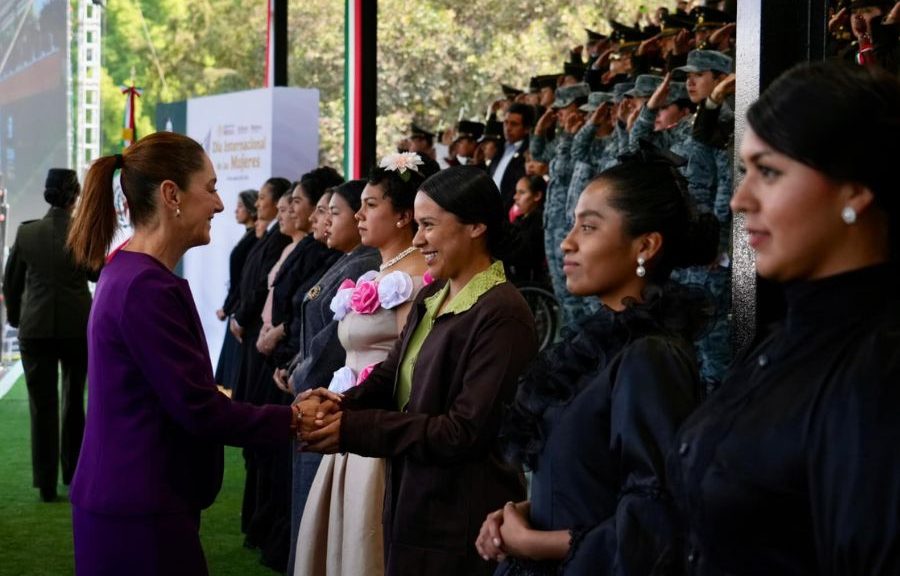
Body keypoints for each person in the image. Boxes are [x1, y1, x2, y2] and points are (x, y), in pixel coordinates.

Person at [668, 62, 900, 574]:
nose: (739, 200)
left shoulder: (878, 374)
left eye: (768, 172)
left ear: (854, 188)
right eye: (744, 171)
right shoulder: (783, 339)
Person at [65, 132, 301, 575]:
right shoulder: (145, 285)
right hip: (138, 508)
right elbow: (199, 408)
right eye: (210, 188)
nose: (219, 204)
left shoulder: (129, 269)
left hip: (131, 498)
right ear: (171, 194)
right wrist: (295, 420)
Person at [477, 144, 716, 575]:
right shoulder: (605, 345)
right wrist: (521, 515)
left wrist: (534, 542)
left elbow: (653, 519)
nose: (566, 242)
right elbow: (592, 483)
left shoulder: (650, 358)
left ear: (646, 245)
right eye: (573, 224)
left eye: (588, 227)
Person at [297, 166, 538, 576]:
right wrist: (336, 405)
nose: (418, 239)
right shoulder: (433, 292)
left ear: (476, 226)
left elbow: (463, 432)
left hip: (462, 516)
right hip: (415, 499)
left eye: (429, 225)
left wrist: (354, 428)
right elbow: (390, 375)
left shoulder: (502, 312)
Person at [294, 152, 435, 576]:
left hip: (377, 425)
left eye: (371, 205)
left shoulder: (414, 281)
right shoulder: (374, 275)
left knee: (365, 539)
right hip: (351, 415)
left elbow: (408, 365)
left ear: (403, 217)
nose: (359, 215)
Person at [286, 179, 382, 572]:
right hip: (318, 391)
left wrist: (300, 376)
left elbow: (332, 341)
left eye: (333, 211)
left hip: (333, 398)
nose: (358, 217)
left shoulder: (366, 265)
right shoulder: (349, 260)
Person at [3, 168, 96, 502]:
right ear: (75, 196)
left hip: (36, 330)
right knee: (74, 402)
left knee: (41, 407)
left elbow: (11, 284)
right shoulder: (82, 232)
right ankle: (73, 475)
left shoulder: (27, 233)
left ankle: (45, 484)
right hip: (76, 329)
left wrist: (18, 318)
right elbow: (96, 273)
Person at [214, 189, 258, 391]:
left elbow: (243, 282)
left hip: (240, 312)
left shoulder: (254, 240)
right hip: (236, 309)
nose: (235, 210)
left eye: (240, 206)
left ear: (250, 208)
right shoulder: (249, 238)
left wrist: (227, 308)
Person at [501, 175, 548, 284]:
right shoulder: (520, 219)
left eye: (521, 193)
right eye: (516, 192)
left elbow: (522, 254)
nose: (515, 197)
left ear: (537, 195)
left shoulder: (538, 222)